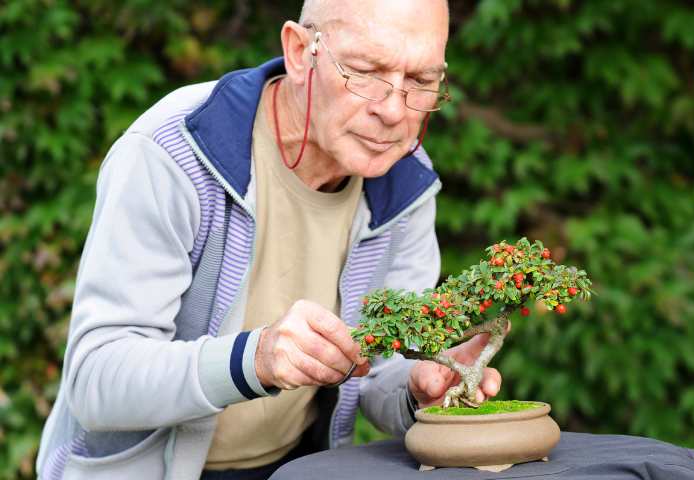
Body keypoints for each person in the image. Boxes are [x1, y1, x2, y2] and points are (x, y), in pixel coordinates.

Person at [35, 1, 503, 479]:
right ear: (300, 52)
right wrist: (254, 360)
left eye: (421, 81)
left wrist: (417, 389)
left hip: (294, 467)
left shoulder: (406, 184)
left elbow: (379, 371)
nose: (393, 111)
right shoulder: (171, 153)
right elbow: (97, 380)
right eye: (365, 72)